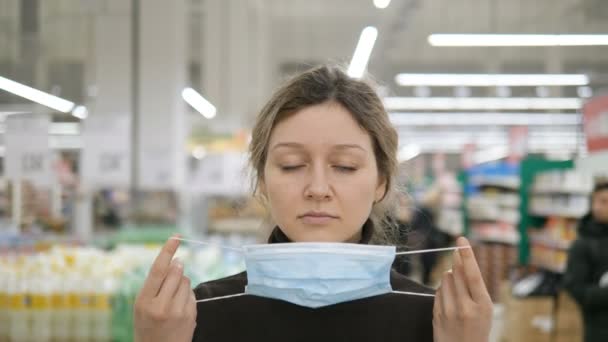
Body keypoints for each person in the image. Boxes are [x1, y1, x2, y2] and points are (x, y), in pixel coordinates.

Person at [133, 65, 493, 342]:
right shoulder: (196, 315)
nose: (318, 188)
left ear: (381, 181)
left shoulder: (437, 320)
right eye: (291, 165)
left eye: (345, 166)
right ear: (262, 179)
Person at [564, 182, 608, 342]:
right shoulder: (582, 244)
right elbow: (575, 288)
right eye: (596, 201)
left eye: (605, 202)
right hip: (599, 329)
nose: (597, 207)